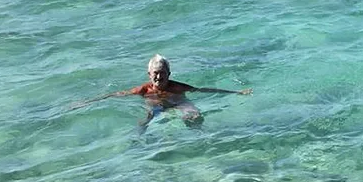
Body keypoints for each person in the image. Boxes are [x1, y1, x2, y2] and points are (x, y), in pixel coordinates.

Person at [73, 54, 251, 129]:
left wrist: (236, 92)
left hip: (177, 101)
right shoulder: (143, 89)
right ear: (149, 74)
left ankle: (201, 137)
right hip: (155, 104)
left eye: (162, 74)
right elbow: (116, 94)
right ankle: (139, 142)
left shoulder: (176, 87)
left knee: (195, 115)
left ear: (169, 74)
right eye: (155, 74)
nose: (159, 78)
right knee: (145, 121)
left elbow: (203, 90)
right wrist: (87, 102)